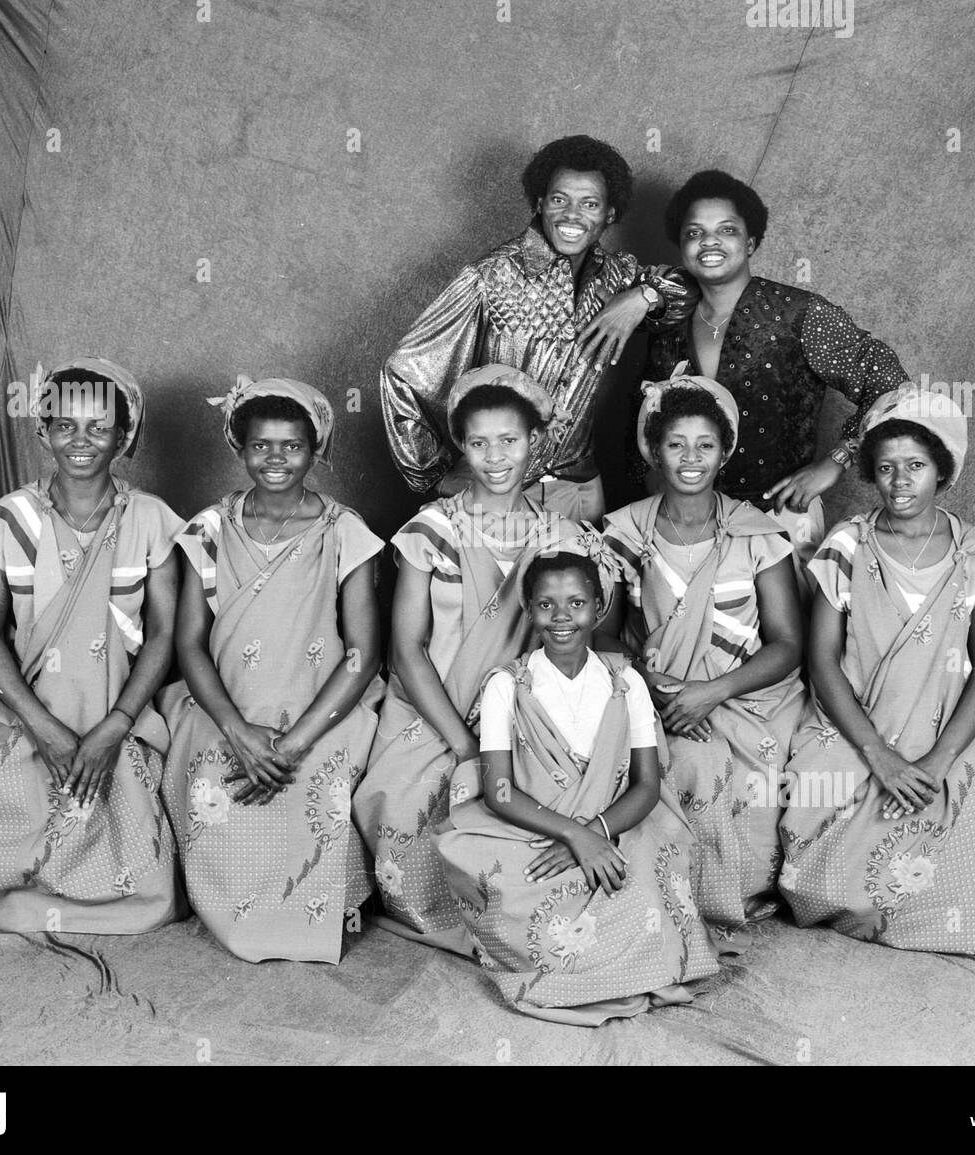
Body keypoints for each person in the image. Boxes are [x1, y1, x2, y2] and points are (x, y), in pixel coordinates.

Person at [778, 387, 975, 953]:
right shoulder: (846, 546)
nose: (900, 481)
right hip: (857, 724)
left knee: (967, 787)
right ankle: (876, 901)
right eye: (885, 469)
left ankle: (932, 905)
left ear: (942, 471)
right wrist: (880, 756)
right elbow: (822, 662)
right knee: (826, 789)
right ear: (870, 476)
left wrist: (935, 760)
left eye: (915, 466)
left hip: (951, 727)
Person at [0, 358, 184, 932]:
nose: (81, 441)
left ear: (125, 435)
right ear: (43, 432)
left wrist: (114, 726)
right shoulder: (9, 518)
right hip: (23, 707)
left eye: (98, 427)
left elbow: (166, 632)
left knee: (144, 864)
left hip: (118, 706)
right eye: (65, 425)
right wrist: (44, 728)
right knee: (6, 802)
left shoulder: (152, 519)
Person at [353, 366, 607, 953]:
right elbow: (405, 650)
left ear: (535, 444)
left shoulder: (561, 535)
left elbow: (580, 648)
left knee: (543, 831)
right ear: (460, 447)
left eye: (510, 441)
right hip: (430, 712)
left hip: (522, 718)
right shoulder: (430, 529)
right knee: (412, 821)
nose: (495, 457)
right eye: (478, 442)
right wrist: (468, 746)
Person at [431, 552, 720, 1025]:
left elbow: (647, 786)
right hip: (530, 825)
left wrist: (597, 832)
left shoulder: (626, 680)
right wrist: (576, 837)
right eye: (546, 605)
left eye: (577, 603)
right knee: (513, 886)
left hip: (616, 820)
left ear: (600, 607)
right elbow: (499, 792)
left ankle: (603, 971)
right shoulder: (506, 684)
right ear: (527, 611)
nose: (561, 617)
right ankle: (605, 972)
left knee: (642, 881)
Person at [160, 376, 384, 963]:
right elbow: (189, 644)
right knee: (214, 779)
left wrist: (294, 743)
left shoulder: (345, 531)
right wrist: (239, 731)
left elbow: (363, 652)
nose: (277, 458)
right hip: (223, 701)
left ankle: (312, 913)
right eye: (261, 445)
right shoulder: (208, 530)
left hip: (321, 701)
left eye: (293, 445)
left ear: (316, 452)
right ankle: (234, 909)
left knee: (318, 784)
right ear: (239, 448)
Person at [380, 134, 693, 521]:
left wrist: (643, 296)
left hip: (579, 489)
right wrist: (435, 474)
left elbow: (689, 289)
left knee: (582, 581)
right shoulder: (491, 276)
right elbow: (402, 372)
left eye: (590, 204)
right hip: (501, 489)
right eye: (559, 200)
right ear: (540, 203)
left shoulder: (618, 276)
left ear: (610, 214)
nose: (572, 215)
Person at [603, 369, 804, 934]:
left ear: (725, 452)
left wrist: (712, 692)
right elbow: (605, 632)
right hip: (657, 692)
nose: (691, 458)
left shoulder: (758, 533)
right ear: (654, 450)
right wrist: (656, 689)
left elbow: (788, 644)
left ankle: (720, 895)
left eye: (705, 445)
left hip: (748, 698)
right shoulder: (623, 533)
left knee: (753, 787)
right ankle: (660, 896)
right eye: (676, 444)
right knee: (663, 769)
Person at [637, 168, 911, 563]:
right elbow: (646, 420)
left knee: (785, 625)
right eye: (694, 232)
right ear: (681, 245)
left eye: (726, 230)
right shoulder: (669, 321)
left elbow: (890, 383)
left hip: (781, 517)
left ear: (750, 242)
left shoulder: (800, 314)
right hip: (686, 520)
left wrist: (836, 461)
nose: (709, 241)